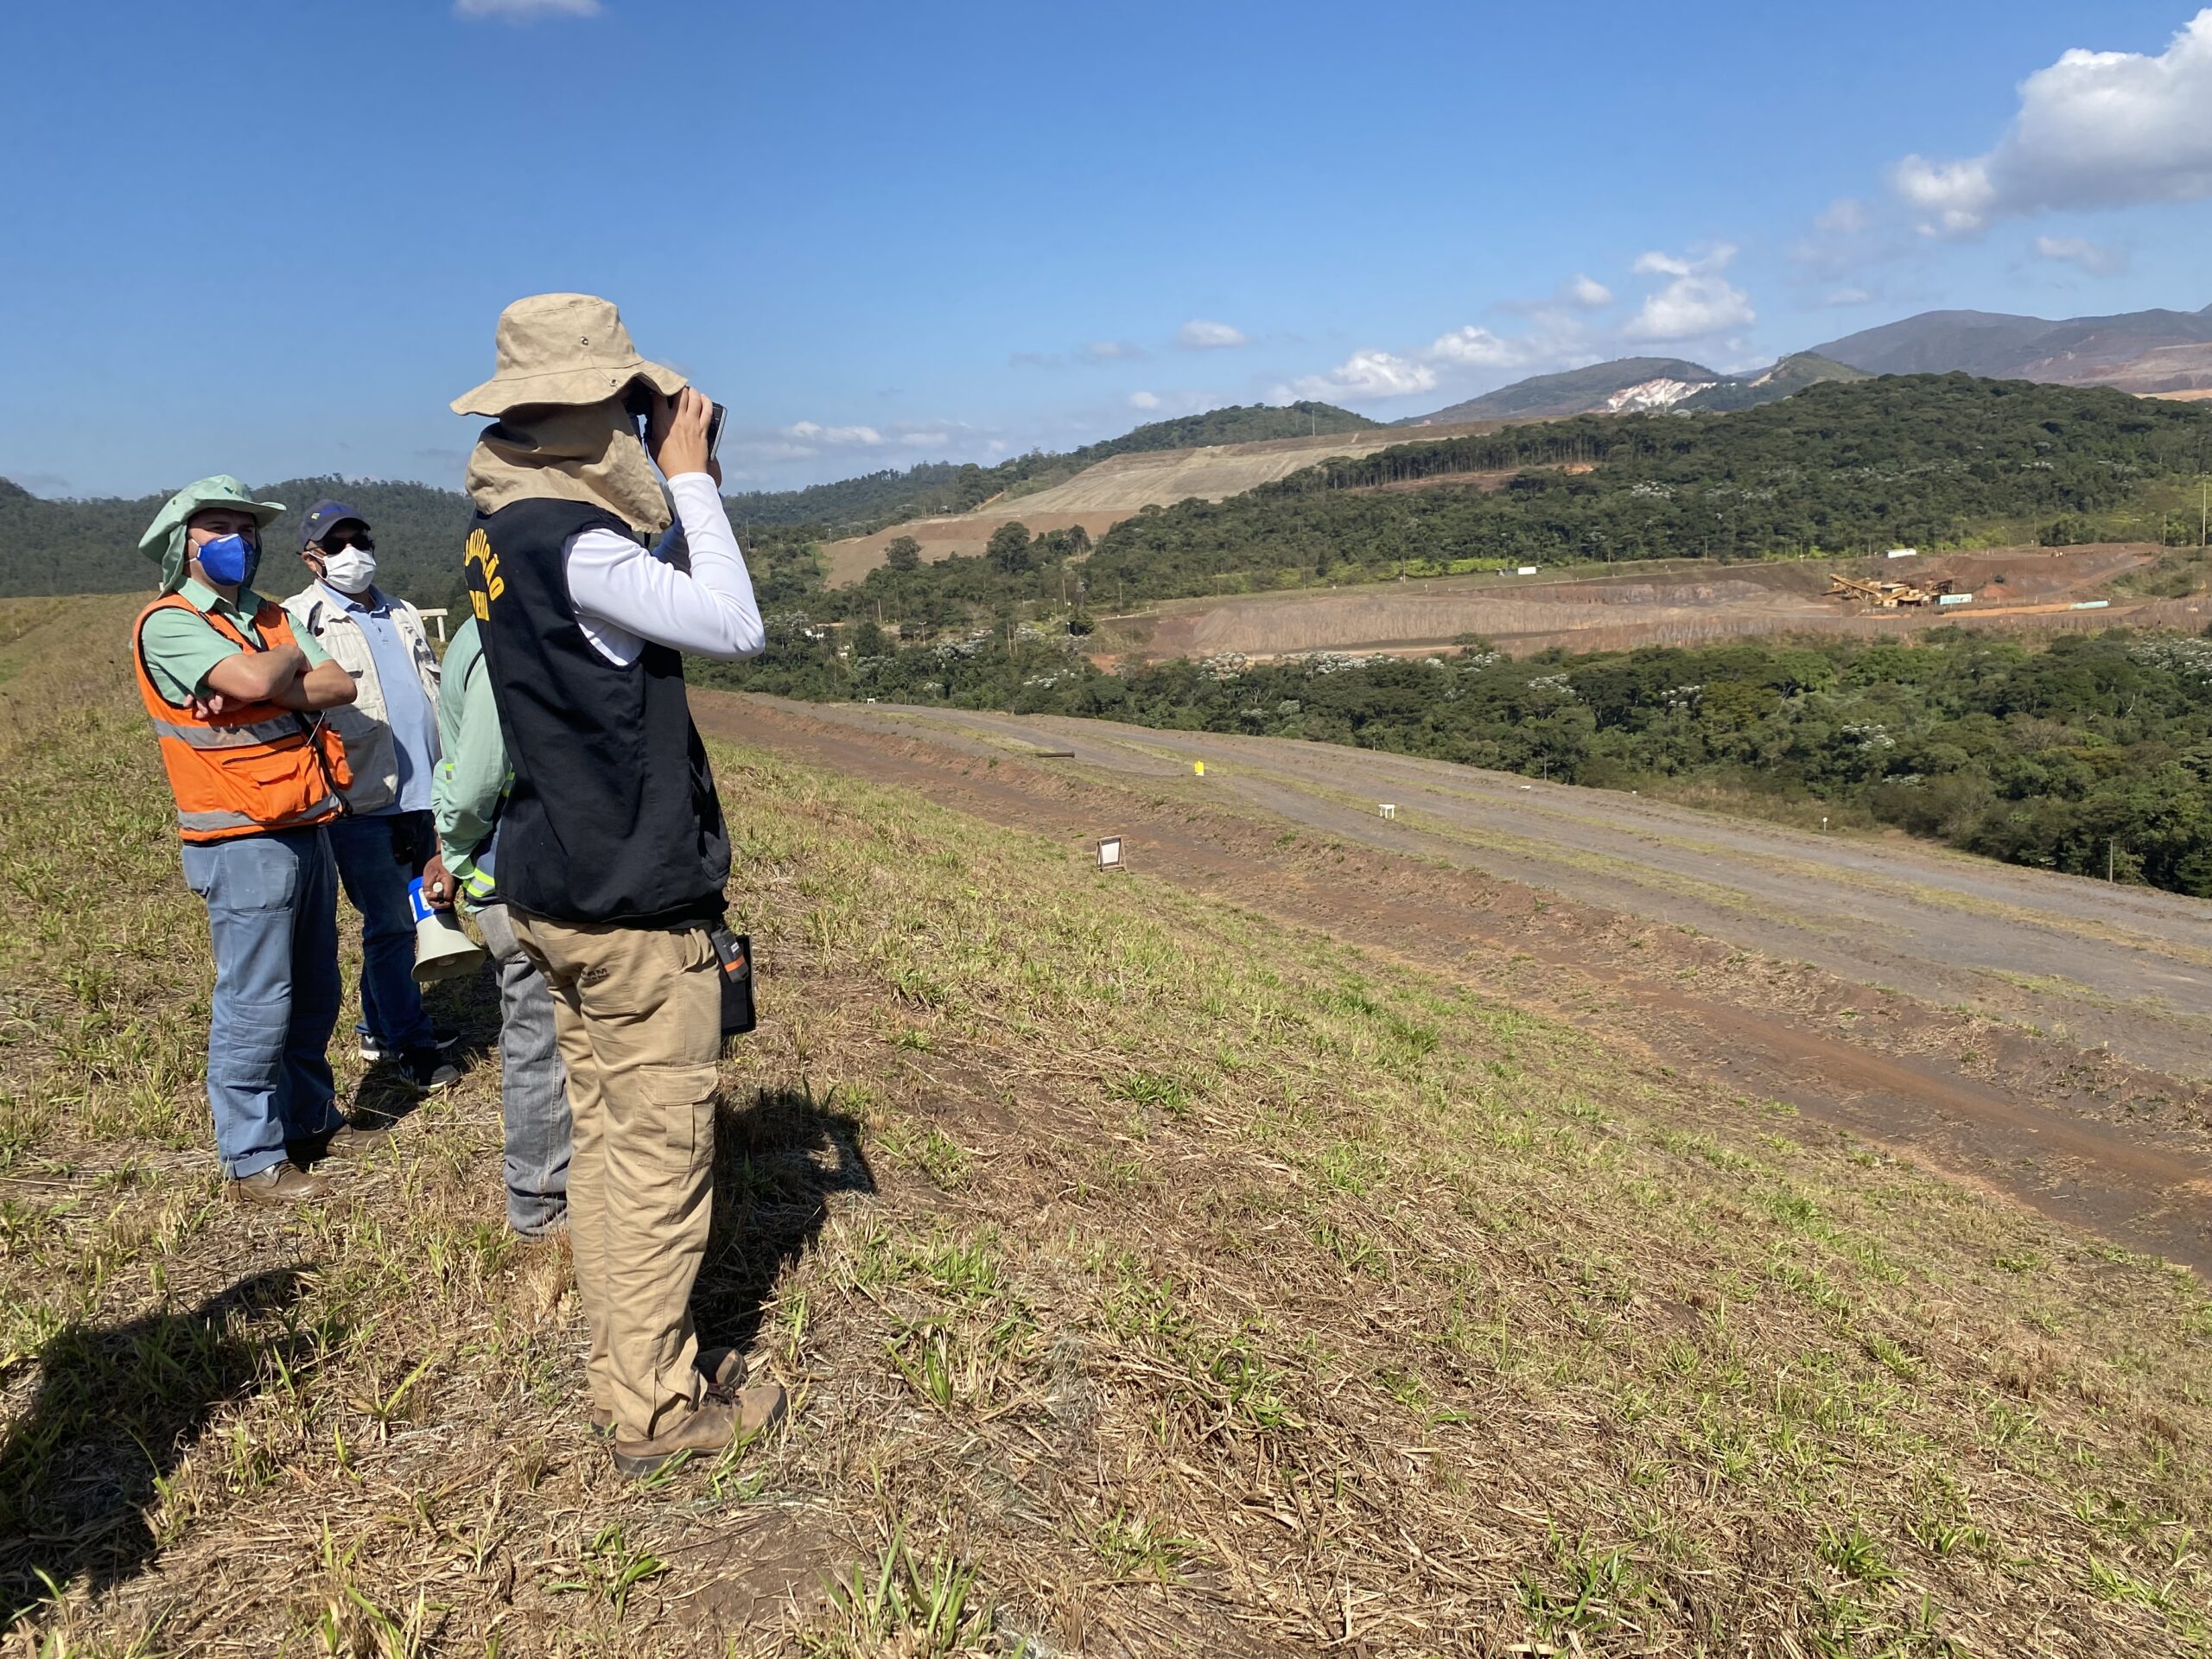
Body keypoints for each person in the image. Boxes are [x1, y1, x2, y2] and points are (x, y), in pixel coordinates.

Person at [452, 292, 780, 1475]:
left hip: (557, 884)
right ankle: (651, 1405)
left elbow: (640, 613)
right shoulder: (578, 544)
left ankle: (615, 1353)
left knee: (603, 1137)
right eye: (629, 408)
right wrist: (688, 474)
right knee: (656, 1156)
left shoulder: (503, 529)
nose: (647, 427)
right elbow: (732, 623)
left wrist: (685, 478)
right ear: (593, 414)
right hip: (632, 905)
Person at [131, 476, 376, 1206]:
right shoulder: (167, 623)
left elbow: (340, 687)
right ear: (183, 542)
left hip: (305, 826)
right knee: (256, 1001)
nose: (240, 538)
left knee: (314, 994)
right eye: (218, 527)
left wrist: (266, 678)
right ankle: (252, 1159)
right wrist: (279, 667)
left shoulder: (267, 614)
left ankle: (308, 1121)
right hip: (238, 839)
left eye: (246, 525)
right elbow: (254, 671)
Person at [283, 503, 460, 1093]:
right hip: (360, 802)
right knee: (389, 927)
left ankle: (378, 1025)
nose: (353, 552)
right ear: (311, 558)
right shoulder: (297, 621)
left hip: (426, 797)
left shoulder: (404, 613)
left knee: (425, 913)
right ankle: (411, 1044)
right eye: (337, 545)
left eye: (360, 538)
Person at [421, 612, 571, 1236]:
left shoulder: (488, 627)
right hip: (519, 880)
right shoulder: (502, 635)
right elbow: (479, 776)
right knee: (542, 1043)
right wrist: (452, 849)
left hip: (522, 873)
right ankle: (540, 1205)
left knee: (554, 1041)